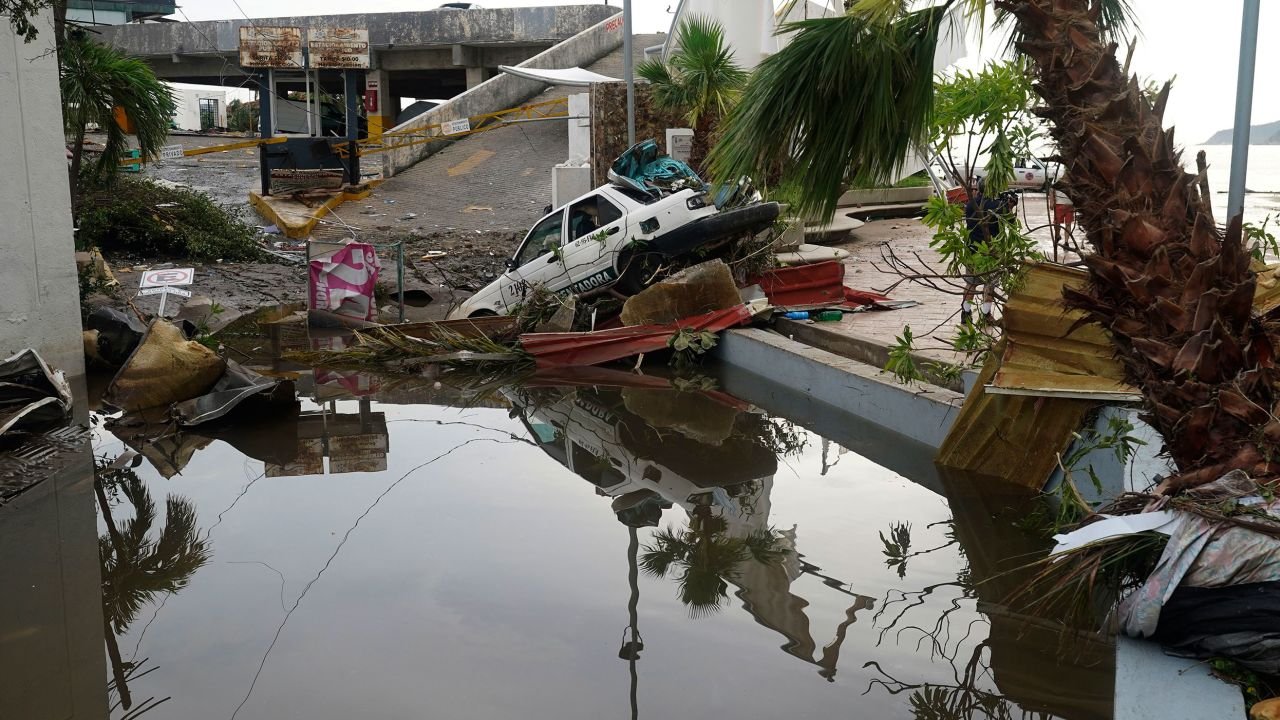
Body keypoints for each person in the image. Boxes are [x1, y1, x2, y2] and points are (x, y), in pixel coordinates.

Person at [961, 179, 1016, 325]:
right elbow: (1011, 223)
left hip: (972, 248)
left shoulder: (970, 204)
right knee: (990, 284)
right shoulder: (997, 205)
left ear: (978, 189)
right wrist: (1009, 207)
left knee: (970, 283)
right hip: (991, 251)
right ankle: (986, 315)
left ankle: (965, 314)